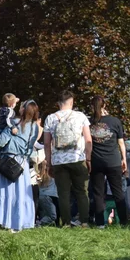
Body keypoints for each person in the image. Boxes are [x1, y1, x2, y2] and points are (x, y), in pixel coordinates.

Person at [42, 90, 92, 228]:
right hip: (77, 158)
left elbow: (47, 143)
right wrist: (88, 159)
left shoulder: (50, 118)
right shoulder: (80, 116)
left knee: (63, 193)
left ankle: (66, 223)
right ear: (71, 102)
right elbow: (88, 139)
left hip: (59, 161)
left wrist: (48, 162)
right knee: (82, 191)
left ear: (58, 103)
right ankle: (84, 222)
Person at [0, 96, 40, 232]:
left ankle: (5, 221)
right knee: (21, 195)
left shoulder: (13, 123)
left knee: (6, 193)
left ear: (24, 109)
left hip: (8, 161)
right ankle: (20, 222)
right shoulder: (34, 128)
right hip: (22, 164)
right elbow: (30, 149)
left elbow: (0, 142)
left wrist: (8, 132)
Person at [88, 95, 129, 228]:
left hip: (96, 161)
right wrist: (124, 159)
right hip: (113, 160)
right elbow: (121, 143)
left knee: (98, 193)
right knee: (118, 192)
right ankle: (123, 221)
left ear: (91, 107)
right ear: (105, 106)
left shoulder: (90, 123)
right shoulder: (115, 121)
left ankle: (100, 223)